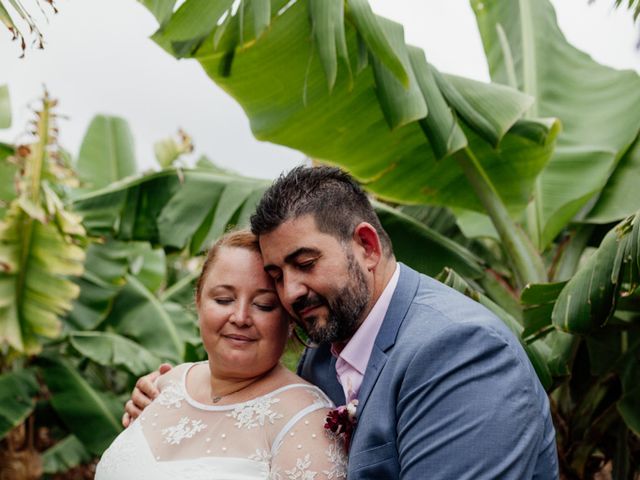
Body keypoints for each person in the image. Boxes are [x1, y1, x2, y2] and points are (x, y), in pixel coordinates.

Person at [126, 166, 559, 479]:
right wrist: (173, 401)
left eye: (306, 263)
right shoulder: (323, 346)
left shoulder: (461, 351)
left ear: (367, 247)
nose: (291, 291)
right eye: (277, 274)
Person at [98, 230, 347, 479]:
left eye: (263, 305)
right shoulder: (165, 385)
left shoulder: (307, 420)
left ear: (289, 318)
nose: (240, 317)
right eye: (224, 299)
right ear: (198, 301)